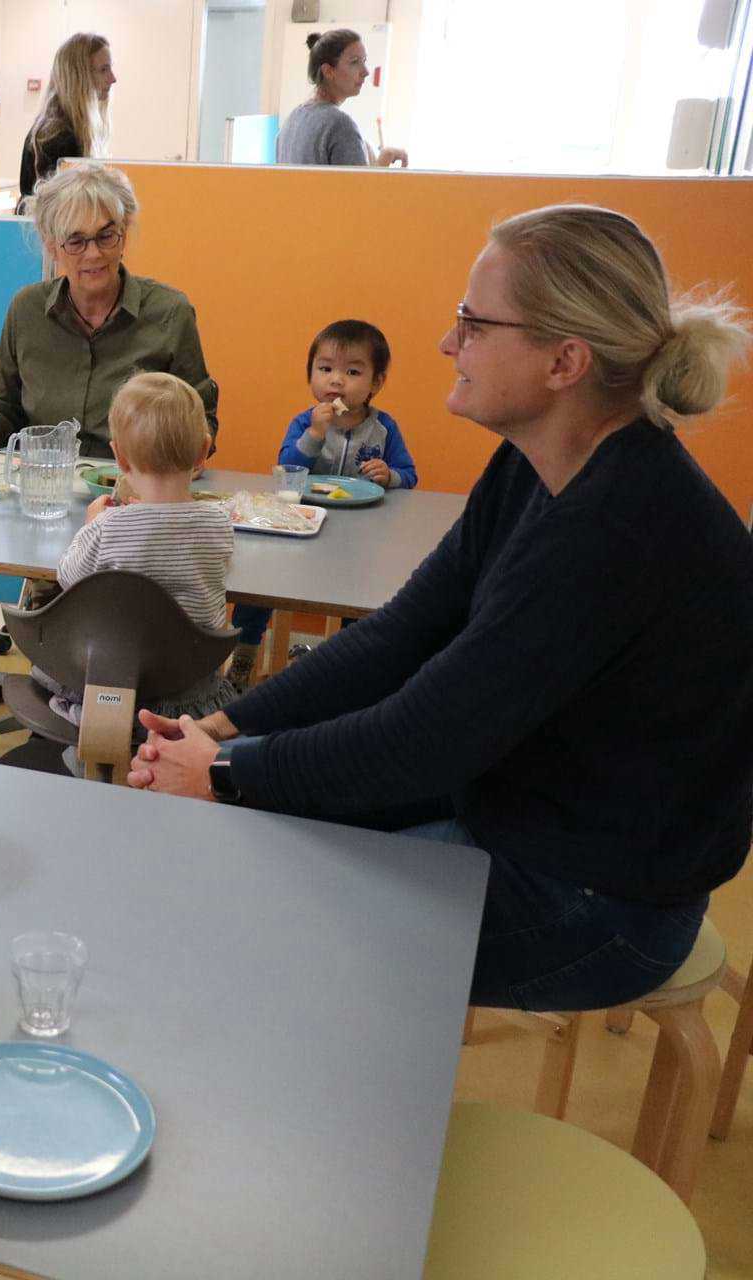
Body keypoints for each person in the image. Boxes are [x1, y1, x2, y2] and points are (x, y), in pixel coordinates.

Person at [129, 204, 753, 1013]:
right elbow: (400, 635)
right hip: (516, 807)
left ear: (565, 360)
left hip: (598, 901)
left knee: (263, 905)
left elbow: (423, 738)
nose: (447, 344)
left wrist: (220, 774)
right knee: (262, 832)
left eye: (473, 323)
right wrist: (222, 733)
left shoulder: (618, 525)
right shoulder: (541, 463)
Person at [0, 164, 219, 462]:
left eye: (106, 236)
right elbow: (5, 404)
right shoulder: (26, 311)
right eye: (76, 241)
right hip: (43, 490)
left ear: (124, 235)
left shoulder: (170, 314)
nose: (93, 253)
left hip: (134, 491)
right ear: (52, 246)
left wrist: (185, 455)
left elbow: (201, 419)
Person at [38, 372, 235, 727]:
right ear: (204, 451)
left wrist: (89, 525)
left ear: (119, 459)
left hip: (111, 685)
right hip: (191, 688)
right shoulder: (219, 524)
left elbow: (69, 577)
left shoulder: (108, 526)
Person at [228, 320, 418, 684]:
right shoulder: (304, 421)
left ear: (376, 383)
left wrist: (389, 475)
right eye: (325, 369)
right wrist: (316, 433)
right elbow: (287, 467)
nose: (336, 381)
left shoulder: (384, 428)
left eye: (352, 371)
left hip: (358, 539)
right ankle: (244, 656)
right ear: (311, 375)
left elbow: (409, 475)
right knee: (260, 584)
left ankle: (344, 674)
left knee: (361, 602)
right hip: (301, 525)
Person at [276, 28, 407, 168]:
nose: (366, 72)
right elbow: (362, 189)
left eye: (364, 61)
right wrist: (385, 158)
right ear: (328, 71)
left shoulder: (290, 122)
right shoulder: (340, 125)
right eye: (354, 62)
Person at [18, 32, 116, 203]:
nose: (113, 78)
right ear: (79, 77)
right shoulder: (57, 138)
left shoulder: (72, 129)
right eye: (103, 70)